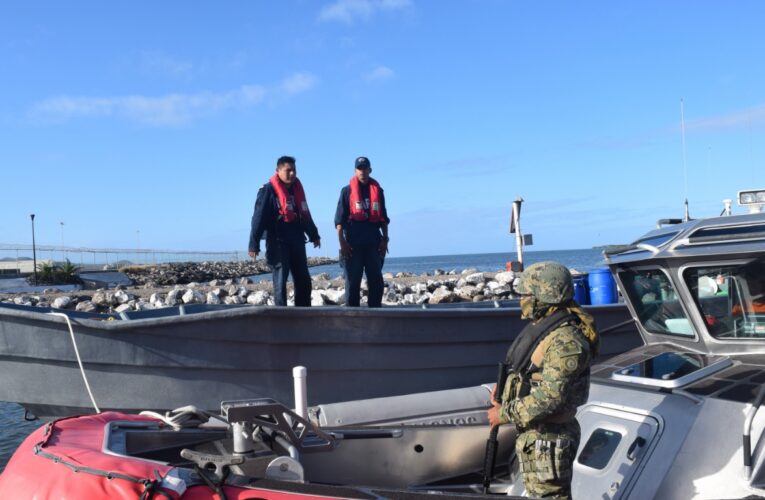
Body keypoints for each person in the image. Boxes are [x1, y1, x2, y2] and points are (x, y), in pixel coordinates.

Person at [487, 261, 600, 500]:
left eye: (527, 294)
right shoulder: (547, 330)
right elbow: (531, 374)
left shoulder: (566, 342)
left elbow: (551, 397)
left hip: (549, 437)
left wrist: (504, 414)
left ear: (545, 295)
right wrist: (506, 392)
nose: (522, 300)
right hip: (537, 435)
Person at [248, 156, 321, 306]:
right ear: (278, 171)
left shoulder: (297, 190)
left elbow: (306, 214)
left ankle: (303, 313)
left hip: (297, 240)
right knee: (280, 281)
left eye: (294, 170)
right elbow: (258, 218)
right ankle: (281, 317)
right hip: (278, 242)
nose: (292, 174)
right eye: (288, 171)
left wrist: (314, 235)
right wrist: (253, 244)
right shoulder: (268, 190)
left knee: (304, 280)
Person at [334, 156, 390, 307]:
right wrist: (342, 243)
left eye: (365, 168)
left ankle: (376, 314)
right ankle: (352, 316)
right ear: (355, 171)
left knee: (376, 282)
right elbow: (339, 221)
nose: (362, 171)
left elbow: (384, 219)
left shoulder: (378, 191)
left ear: (370, 170)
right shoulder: (346, 192)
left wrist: (385, 240)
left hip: (373, 245)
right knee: (352, 283)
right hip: (353, 246)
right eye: (359, 169)